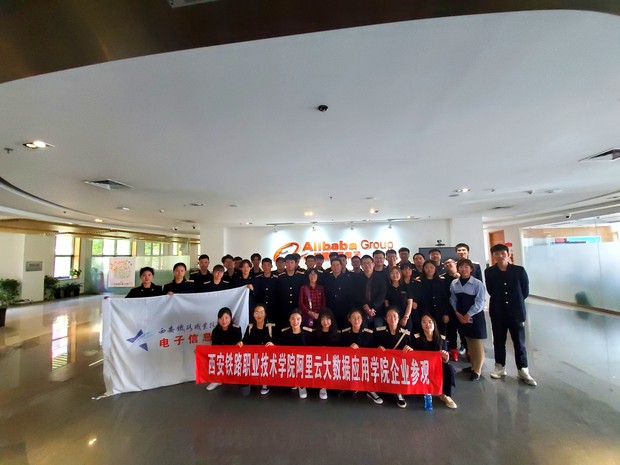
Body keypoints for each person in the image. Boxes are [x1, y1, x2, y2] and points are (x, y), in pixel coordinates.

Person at [485, 243, 537, 386]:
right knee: (499, 340)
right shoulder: (489, 272)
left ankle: (523, 369)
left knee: (519, 341)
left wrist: (515, 301)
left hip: (516, 311)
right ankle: (500, 366)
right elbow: (491, 290)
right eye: (496, 254)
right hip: (498, 311)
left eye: (502, 253)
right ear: (493, 256)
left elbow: (524, 291)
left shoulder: (519, 270)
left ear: (508, 254)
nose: (500, 256)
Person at [449, 259, 486, 381]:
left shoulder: (477, 284)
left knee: (476, 342)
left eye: (466, 267)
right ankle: (473, 366)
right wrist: (456, 312)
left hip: (474, 316)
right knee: (468, 341)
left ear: (471, 269)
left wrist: (468, 315)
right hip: (460, 315)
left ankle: (477, 370)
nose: (463, 269)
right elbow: (453, 298)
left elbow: (480, 302)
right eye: (461, 267)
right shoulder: (455, 283)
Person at [411, 314, 457, 409]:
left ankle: (445, 394)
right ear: (421, 325)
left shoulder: (442, 339)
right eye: (424, 322)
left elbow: (446, 359)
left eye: (430, 322)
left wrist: (446, 358)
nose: (427, 324)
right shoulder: (416, 338)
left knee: (449, 369)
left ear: (434, 324)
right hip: (420, 367)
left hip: (437, 366)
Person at [339, 308, 382, 405]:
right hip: (350, 364)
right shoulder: (344, 333)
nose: (356, 320)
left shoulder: (369, 333)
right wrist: (348, 349)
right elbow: (339, 351)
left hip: (365, 364)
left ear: (362, 319)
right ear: (349, 319)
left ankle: (370, 390)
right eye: (353, 318)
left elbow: (373, 350)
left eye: (358, 317)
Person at [375, 306, 412, 408]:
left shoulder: (406, 334)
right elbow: (373, 346)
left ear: (399, 318)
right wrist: (378, 348)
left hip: (399, 364)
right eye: (389, 316)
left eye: (395, 316)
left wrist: (409, 348)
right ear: (385, 319)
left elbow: (412, 349)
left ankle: (398, 393)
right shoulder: (379, 332)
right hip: (384, 363)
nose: (392, 319)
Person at [238, 303, 275, 395]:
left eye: (262, 312)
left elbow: (277, 341)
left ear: (265, 314)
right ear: (253, 314)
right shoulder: (250, 327)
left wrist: (273, 344)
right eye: (256, 312)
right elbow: (245, 340)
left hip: (267, 357)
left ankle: (265, 383)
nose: (259, 315)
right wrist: (241, 342)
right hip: (253, 356)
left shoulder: (271, 327)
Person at [278, 309, 313, 399]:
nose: (295, 321)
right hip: (289, 362)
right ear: (289, 320)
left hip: (303, 363)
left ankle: (302, 385)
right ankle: (293, 381)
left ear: (301, 320)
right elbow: (279, 349)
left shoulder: (308, 333)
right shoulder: (284, 333)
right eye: (292, 319)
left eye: (298, 319)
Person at [206, 307, 243, 391]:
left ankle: (236, 376)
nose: (224, 321)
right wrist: (201, 351)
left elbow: (238, 343)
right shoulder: (215, 331)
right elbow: (214, 347)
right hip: (220, 356)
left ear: (231, 318)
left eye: (226, 318)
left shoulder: (236, 329)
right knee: (211, 357)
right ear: (218, 319)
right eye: (221, 318)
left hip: (233, 355)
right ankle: (217, 380)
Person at [312, 308, 339, 399]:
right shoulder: (314, 333)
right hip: (319, 362)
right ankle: (322, 386)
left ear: (332, 320)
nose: (325, 322)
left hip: (332, 362)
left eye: (328, 319)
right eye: (323, 319)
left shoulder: (337, 334)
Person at [416, 260, 450, 335]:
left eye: (432, 267)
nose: (429, 269)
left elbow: (445, 299)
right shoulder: (418, 282)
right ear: (423, 269)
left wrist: (446, 313)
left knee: (440, 334)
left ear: (435, 268)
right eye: (427, 267)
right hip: (424, 313)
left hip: (439, 314)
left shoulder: (441, 281)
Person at [354, 254, 387, 328]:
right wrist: (366, 307)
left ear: (373, 264)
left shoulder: (381, 278)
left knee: (379, 331)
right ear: (361, 265)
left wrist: (372, 308)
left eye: (368, 263)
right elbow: (356, 294)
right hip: (362, 311)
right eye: (364, 263)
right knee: (364, 332)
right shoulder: (356, 279)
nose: (366, 265)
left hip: (377, 311)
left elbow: (382, 295)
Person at [275, 254, 307, 329]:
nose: (290, 265)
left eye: (292, 262)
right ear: (285, 263)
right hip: (283, 308)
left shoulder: (301, 277)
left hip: (297, 307)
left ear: (295, 263)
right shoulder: (280, 277)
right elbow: (277, 294)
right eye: (288, 262)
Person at [323, 257, 353, 330]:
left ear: (341, 266)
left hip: (344, 309)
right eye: (333, 265)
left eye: (337, 265)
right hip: (330, 309)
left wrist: (350, 311)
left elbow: (351, 296)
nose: (335, 267)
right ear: (331, 267)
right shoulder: (326, 279)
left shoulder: (348, 279)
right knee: (332, 329)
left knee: (344, 329)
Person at [384, 266, 413, 331]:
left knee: (406, 335)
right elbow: (387, 305)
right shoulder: (387, 288)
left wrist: (406, 317)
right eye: (392, 273)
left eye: (397, 273)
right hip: (392, 318)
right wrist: (390, 317)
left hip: (405, 316)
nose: (395, 275)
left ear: (400, 274)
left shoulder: (406, 287)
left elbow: (410, 304)